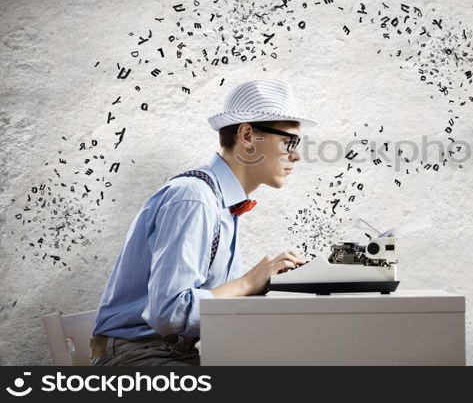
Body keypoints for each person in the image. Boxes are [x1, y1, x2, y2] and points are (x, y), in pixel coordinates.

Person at [90, 78, 316, 366]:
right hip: (137, 359)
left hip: (173, 356)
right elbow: (170, 312)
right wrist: (249, 281)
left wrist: (269, 284)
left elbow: (211, 307)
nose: (296, 155)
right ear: (247, 136)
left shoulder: (222, 204)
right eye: (289, 141)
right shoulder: (194, 198)